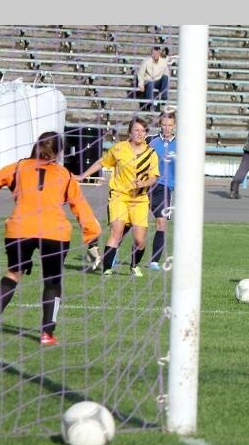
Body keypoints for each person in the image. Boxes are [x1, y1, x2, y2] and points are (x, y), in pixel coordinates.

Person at [0, 131, 101, 345]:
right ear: (60, 152)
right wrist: (92, 241)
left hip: (20, 228)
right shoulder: (65, 175)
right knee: (53, 281)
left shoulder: (19, 167)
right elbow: (81, 207)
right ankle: (47, 334)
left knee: (13, 273)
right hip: (54, 232)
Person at [74, 116, 159, 278]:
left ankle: (134, 265)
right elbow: (101, 162)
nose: (140, 133)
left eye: (143, 131)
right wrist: (83, 175)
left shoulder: (151, 153)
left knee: (140, 240)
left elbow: (154, 177)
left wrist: (143, 183)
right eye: (136, 130)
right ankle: (107, 269)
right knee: (116, 232)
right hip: (118, 196)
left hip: (140, 200)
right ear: (129, 132)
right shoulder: (119, 148)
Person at [147, 110, 177, 270]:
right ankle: (114, 253)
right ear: (160, 124)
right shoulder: (150, 141)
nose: (167, 128)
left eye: (170, 125)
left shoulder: (181, 145)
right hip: (145, 185)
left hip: (165, 188)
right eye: (164, 125)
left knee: (161, 222)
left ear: (175, 125)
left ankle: (154, 261)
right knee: (132, 222)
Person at [136, 46, 172, 111]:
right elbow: (140, 73)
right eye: (153, 53)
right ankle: (149, 103)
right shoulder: (146, 61)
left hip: (158, 80)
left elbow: (166, 73)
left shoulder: (163, 62)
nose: (155, 55)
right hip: (148, 80)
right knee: (150, 83)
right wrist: (141, 84)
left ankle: (164, 98)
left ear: (159, 54)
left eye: (156, 53)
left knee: (165, 77)